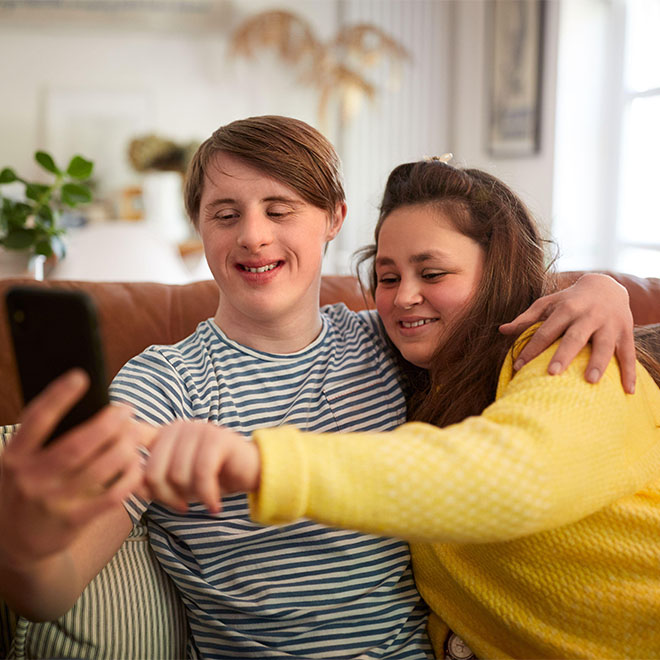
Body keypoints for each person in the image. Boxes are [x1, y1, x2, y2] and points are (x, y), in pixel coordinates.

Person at [0, 118, 641, 658]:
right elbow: (51, 587)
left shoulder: (394, 339)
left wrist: (600, 291)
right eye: (225, 215)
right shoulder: (163, 385)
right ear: (198, 228)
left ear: (334, 217)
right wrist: (25, 551)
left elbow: (485, 307)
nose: (253, 236)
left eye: (280, 211)